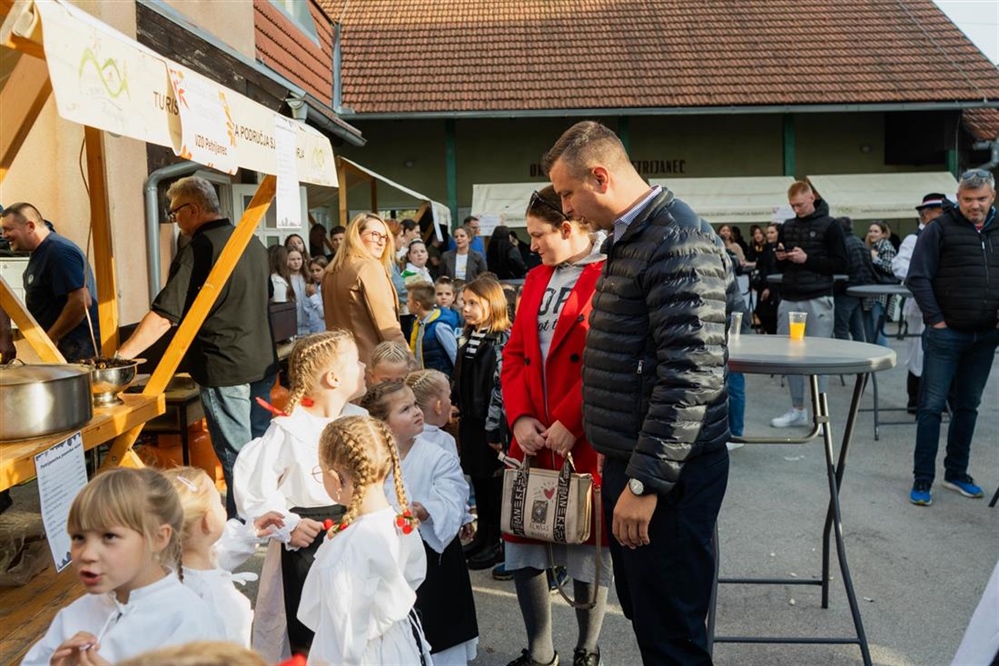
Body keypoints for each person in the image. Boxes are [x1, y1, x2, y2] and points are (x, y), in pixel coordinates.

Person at [543, 120, 731, 663]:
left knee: (671, 632)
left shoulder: (676, 239)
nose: (567, 208)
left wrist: (646, 482)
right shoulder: (639, 236)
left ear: (599, 177)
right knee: (651, 617)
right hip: (640, 461)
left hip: (666, 474)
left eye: (567, 193)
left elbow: (690, 374)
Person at [117, 176, 278, 519]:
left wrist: (120, 357)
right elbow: (265, 296)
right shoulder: (250, 241)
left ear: (191, 209)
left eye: (175, 213)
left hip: (224, 365)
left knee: (238, 457)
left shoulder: (199, 248)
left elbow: (165, 315)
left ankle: (246, 528)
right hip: (261, 360)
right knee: (260, 453)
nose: (175, 221)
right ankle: (268, 519)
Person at [501, 186, 610, 666]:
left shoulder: (608, 276)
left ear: (568, 228)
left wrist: (572, 420)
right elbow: (515, 354)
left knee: (585, 541)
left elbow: (607, 361)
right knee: (523, 540)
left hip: (581, 435)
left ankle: (587, 651)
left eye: (538, 234)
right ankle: (541, 652)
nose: (532, 245)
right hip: (530, 436)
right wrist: (520, 416)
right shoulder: (534, 278)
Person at [233, 330, 368, 661]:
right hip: (306, 545)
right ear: (334, 377)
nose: (364, 365)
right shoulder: (289, 429)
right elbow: (256, 490)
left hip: (356, 536)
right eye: (356, 360)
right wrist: (290, 525)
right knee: (309, 631)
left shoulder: (360, 420)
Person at [22, 468, 225, 666]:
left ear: (158, 537)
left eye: (109, 537)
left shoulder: (188, 620)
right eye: (78, 538)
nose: (87, 554)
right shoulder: (75, 614)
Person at [297, 415, 432, 665]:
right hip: (397, 645)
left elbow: (344, 636)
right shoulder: (399, 520)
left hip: (362, 656)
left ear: (336, 478)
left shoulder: (348, 547)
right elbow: (413, 576)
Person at [363, 381, 479, 665]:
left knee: (439, 631)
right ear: (383, 424)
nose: (417, 412)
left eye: (415, 404)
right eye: (405, 409)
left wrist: (428, 509)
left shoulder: (437, 454)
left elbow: (454, 492)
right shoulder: (371, 459)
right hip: (387, 554)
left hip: (433, 557)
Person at [905, 168, 999, 506]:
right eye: (968, 199)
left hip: (986, 336)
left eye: (981, 199)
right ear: (957, 198)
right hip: (946, 334)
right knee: (931, 407)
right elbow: (917, 277)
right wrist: (937, 321)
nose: (975, 205)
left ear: (993, 197)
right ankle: (923, 479)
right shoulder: (939, 228)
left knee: (968, 407)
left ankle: (956, 473)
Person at [163, 467, 283, 648]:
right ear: (208, 520)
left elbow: (220, 550)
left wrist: (248, 534)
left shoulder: (161, 570)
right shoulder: (219, 600)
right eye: (219, 502)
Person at [770, 180, 848, 428]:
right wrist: (781, 257)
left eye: (800, 205)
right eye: (792, 205)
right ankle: (797, 408)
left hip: (817, 297)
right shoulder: (788, 226)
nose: (796, 210)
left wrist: (807, 259)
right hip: (791, 296)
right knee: (791, 357)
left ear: (812, 197)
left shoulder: (831, 226)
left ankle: (820, 415)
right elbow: (781, 266)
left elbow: (841, 264)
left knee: (817, 359)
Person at [453, 276, 511, 571]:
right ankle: (484, 536)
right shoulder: (469, 336)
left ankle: (498, 543)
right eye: (464, 302)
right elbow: (462, 374)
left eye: (473, 303)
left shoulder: (501, 339)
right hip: (471, 422)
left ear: (493, 303)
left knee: (494, 487)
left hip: (492, 425)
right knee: (478, 479)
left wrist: (496, 427)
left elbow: (500, 386)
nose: (466, 308)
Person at [1, 202, 100, 360]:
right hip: (66, 348)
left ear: (30, 227)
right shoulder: (40, 252)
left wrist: (51, 338)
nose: (3, 235)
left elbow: (82, 301)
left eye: (8, 229)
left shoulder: (58, 252)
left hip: (78, 350)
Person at [322, 212, 406, 365]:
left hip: (340, 363)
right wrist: (411, 365)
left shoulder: (330, 272)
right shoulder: (368, 267)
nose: (381, 242)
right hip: (372, 367)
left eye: (384, 237)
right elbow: (388, 328)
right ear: (356, 235)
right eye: (375, 235)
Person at [892, 193, 947, 412]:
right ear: (926, 215)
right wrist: (928, 276)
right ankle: (916, 400)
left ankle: (941, 399)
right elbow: (899, 267)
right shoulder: (913, 239)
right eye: (941, 213)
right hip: (920, 306)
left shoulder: (948, 235)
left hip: (946, 305)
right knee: (918, 354)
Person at [833, 217, 876, 343]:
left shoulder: (842, 244)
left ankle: (844, 354)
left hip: (846, 290)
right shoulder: (859, 242)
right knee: (856, 327)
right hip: (859, 289)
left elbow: (842, 268)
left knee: (841, 327)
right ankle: (860, 352)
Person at [407, 282, 460, 375]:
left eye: (408, 301)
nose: (406, 304)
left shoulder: (439, 326)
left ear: (417, 304)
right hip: (424, 378)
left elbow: (454, 353)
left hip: (440, 378)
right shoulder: (418, 323)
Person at [864, 220, 898, 346]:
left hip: (880, 295)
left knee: (878, 330)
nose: (872, 234)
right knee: (870, 330)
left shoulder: (886, 247)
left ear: (883, 234)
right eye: (870, 231)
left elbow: (890, 268)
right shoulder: (870, 247)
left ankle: (884, 359)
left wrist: (876, 259)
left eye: (876, 231)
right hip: (869, 294)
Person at [753, 223, 781, 334]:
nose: (769, 235)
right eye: (768, 233)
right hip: (763, 285)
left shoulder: (778, 250)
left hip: (773, 287)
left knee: (770, 314)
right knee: (762, 312)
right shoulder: (765, 249)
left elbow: (774, 269)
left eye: (772, 232)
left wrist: (769, 287)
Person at [287, 248, 313, 337]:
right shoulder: (285, 280)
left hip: (310, 325)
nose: (296, 262)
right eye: (292, 259)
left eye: (299, 259)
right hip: (293, 327)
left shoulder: (308, 278)